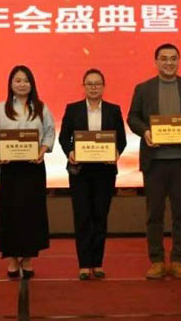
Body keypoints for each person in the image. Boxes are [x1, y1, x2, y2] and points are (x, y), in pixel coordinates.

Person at [127, 43, 181, 280]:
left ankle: (178, 260)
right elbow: (133, 117)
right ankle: (156, 261)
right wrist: (145, 132)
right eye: (164, 58)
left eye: (173, 58)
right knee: (154, 214)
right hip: (154, 161)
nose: (169, 63)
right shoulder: (144, 88)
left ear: (179, 61)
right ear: (156, 62)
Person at [59, 68, 127, 280]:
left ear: (103, 87)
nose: (94, 87)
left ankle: (97, 263)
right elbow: (64, 138)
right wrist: (70, 152)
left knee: (100, 215)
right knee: (82, 216)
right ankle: (83, 264)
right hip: (80, 171)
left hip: (105, 171)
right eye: (90, 84)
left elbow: (121, 139)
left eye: (97, 83)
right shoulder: (73, 109)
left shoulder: (113, 110)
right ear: (83, 86)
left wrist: (116, 152)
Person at [0, 65, 55, 278]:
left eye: (26, 80)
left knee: (31, 213)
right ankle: (11, 258)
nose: (22, 84)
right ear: (10, 84)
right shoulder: (0, 108)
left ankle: (27, 258)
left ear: (32, 84)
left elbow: (50, 132)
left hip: (33, 168)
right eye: (17, 80)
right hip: (10, 169)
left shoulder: (41, 108)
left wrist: (42, 151)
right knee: (11, 212)